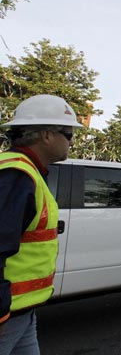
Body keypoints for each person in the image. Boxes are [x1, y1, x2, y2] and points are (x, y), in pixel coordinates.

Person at [0, 95, 82, 354]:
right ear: (46, 135)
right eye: (68, 134)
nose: (72, 141)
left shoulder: (26, 171)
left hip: (23, 311)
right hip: (7, 314)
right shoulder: (17, 176)